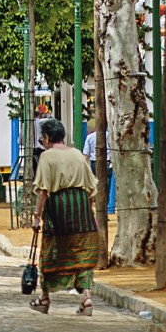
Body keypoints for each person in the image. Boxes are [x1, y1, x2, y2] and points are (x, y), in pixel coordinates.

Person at [29, 115, 102, 316]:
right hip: (81, 207)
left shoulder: (47, 157)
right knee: (82, 253)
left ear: (46, 137)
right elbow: (90, 187)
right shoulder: (77, 154)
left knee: (51, 252)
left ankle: (44, 298)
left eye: (42, 138)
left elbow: (43, 190)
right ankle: (87, 298)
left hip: (59, 208)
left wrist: (37, 217)